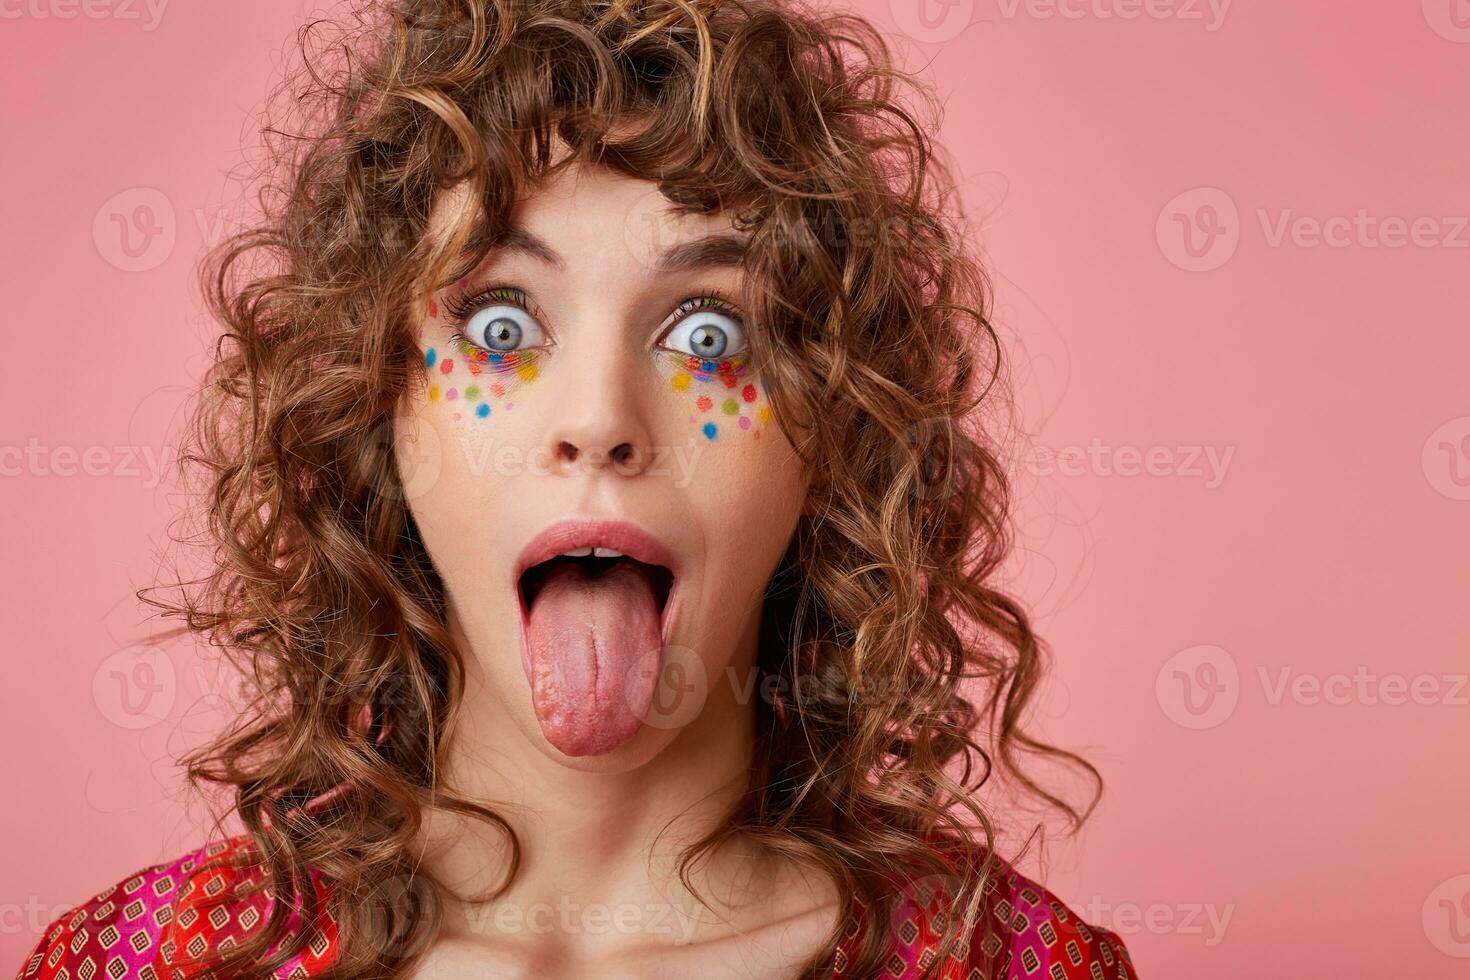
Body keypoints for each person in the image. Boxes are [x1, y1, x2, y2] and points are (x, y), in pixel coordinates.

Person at [15, 0, 1137, 977]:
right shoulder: (154, 962)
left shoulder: (1008, 965)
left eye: (709, 332)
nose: (599, 417)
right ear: (379, 405)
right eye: (501, 325)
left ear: (831, 433)